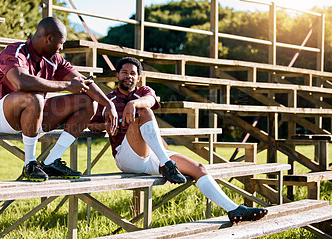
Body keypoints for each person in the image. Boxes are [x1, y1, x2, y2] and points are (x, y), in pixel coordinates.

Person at [88, 57, 267, 223]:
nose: (128, 76)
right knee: (143, 113)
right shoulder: (107, 100)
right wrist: (104, 126)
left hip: (153, 156)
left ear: (139, 77)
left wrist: (132, 103)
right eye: (124, 72)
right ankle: (167, 164)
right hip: (126, 156)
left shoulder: (143, 92)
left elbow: (150, 100)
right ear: (117, 75)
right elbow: (91, 125)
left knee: (199, 168)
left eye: (133, 73)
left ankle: (234, 209)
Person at [0, 17, 118, 182]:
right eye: (61, 43)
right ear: (49, 39)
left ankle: (51, 161)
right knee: (35, 96)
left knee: (88, 102)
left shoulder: (55, 59)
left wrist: (108, 104)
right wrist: (67, 85)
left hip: (32, 115)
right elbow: (21, 82)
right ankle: (30, 164)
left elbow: (84, 82)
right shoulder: (15, 52)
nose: (61, 48)